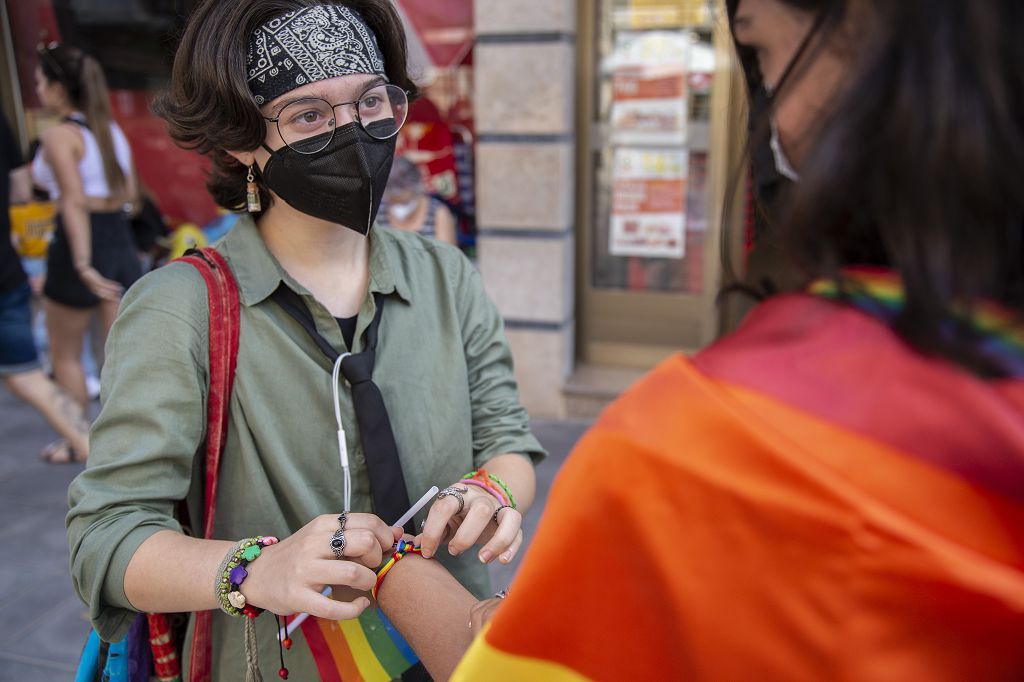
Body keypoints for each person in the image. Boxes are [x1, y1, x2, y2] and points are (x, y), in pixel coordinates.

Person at [347, 0, 1024, 679]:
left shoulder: (718, 442)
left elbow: (507, 451)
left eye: (758, 52)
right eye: (310, 115)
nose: (765, 114)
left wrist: (399, 559)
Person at [66, 1, 544, 680]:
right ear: (238, 139)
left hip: (453, 641)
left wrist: (492, 493)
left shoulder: (446, 276)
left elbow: (508, 441)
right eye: (310, 116)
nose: (354, 134)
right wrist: (256, 568)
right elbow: (105, 539)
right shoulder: (180, 310)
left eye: (372, 102)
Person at [32, 44, 141, 428]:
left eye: (41, 82)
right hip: (119, 242)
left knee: (65, 354)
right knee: (115, 357)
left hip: (79, 246)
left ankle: (74, 438)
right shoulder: (109, 130)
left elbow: (73, 202)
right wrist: (97, 204)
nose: (39, 90)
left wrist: (81, 264)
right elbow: (128, 196)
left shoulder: (60, 136)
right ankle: (121, 441)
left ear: (59, 89)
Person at [0, 114, 90, 461]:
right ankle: (90, 446)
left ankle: (91, 448)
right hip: (8, 269)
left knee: (37, 370)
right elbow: (21, 189)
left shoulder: (60, 135)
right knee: (29, 375)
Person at [377, 156, 457, 245]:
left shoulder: (438, 212)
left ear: (416, 188)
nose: (398, 206)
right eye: (393, 201)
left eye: (404, 202)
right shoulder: (378, 212)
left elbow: (446, 254)